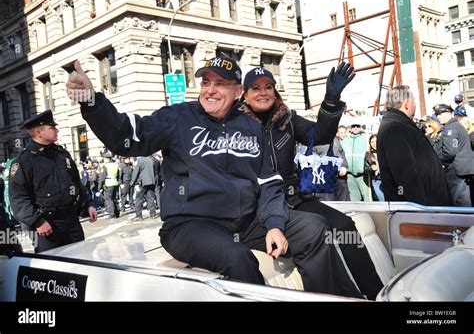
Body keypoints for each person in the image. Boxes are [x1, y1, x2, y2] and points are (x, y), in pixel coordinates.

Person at [66, 55, 362, 298]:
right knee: (237, 257)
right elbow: (124, 136)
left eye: (221, 84)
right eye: (206, 82)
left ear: (236, 92)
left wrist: (274, 224)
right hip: (190, 225)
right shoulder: (177, 118)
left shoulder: (251, 127)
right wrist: (92, 102)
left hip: (246, 222)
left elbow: (270, 183)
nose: (210, 89)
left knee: (315, 228)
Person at [239, 66, 383, 300]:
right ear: (244, 94)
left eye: (268, 87)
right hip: (259, 203)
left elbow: (321, 137)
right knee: (316, 229)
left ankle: (377, 293)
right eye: (255, 88)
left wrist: (331, 101)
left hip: (294, 197)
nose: (262, 92)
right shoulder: (235, 125)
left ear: (275, 91)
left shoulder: (287, 118)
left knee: (345, 226)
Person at [9, 110, 97, 253]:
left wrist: (88, 204)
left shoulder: (62, 154)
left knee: (81, 261)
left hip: (71, 220)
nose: (57, 130)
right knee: (52, 269)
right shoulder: (24, 161)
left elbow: (76, 182)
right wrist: (37, 221)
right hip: (46, 225)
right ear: (39, 133)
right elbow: (18, 198)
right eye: (52, 128)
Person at [377, 86, 452, 206]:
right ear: (406, 104)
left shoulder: (401, 124)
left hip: (431, 206)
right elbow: (405, 175)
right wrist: (420, 209)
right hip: (423, 211)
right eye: (414, 102)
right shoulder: (394, 128)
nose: (415, 105)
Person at [434, 104, 474, 207]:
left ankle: (463, 222)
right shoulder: (455, 126)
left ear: (449, 113)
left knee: (458, 201)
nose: (438, 117)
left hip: (455, 170)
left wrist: (437, 158)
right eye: (437, 114)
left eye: (440, 114)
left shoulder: (451, 128)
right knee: (463, 199)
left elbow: (450, 151)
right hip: (461, 169)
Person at [341, 123, 370, 201]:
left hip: (363, 175)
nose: (356, 128)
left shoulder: (365, 139)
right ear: (351, 128)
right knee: (354, 200)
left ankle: (370, 213)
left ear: (360, 128)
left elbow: (370, 154)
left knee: (367, 199)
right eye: (354, 126)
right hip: (350, 175)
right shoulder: (345, 140)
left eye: (358, 126)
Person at [130, 156, 157, 220]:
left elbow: (136, 172)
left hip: (143, 182)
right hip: (151, 181)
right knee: (151, 198)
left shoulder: (140, 161)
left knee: (139, 199)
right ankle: (153, 214)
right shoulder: (151, 160)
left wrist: (132, 182)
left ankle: (139, 215)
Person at [365, 134, 384, 201]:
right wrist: (371, 168)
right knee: (382, 200)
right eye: (372, 142)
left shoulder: (385, 152)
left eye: (376, 141)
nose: (374, 143)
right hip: (377, 180)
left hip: (387, 180)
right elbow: (365, 169)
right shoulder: (368, 155)